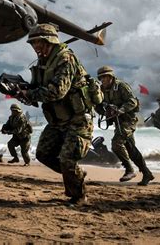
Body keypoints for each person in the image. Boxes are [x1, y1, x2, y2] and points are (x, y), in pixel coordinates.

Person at [20, 23, 95, 205]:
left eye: (39, 42)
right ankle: (75, 175)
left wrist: (29, 94)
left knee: (67, 159)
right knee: (43, 154)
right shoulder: (43, 62)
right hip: (57, 120)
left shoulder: (65, 58)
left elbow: (57, 92)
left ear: (49, 41)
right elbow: (40, 90)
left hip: (78, 120)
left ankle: (79, 196)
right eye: (33, 43)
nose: (36, 46)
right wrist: (22, 91)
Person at [95, 66, 154, 185]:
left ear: (111, 77)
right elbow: (98, 105)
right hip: (117, 122)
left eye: (106, 77)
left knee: (116, 144)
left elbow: (132, 101)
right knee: (131, 150)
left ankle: (129, 170)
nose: (104, 80)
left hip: (128, 120)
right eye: (101, 78)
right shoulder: (101, 89)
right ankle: (147, 173)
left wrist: (121, 110)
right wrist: (105, 111)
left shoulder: (121, 86)